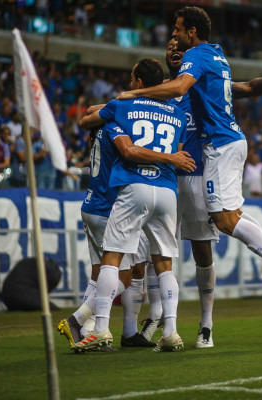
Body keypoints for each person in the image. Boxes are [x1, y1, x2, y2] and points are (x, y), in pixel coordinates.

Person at [116, 6, 262, 309]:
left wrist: (133, 94)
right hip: (228, 142)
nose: (174, 36)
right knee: (232, 214)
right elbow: (244, 88)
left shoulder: (196, 58)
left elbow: (179, 86)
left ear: (192, 32)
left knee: (224, 219)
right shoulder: (216, 55)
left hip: (218, 144)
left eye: (177, 30)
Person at [72, 58, 195, 353]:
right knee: (164, 264)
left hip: (134, 187)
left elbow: (87, 119)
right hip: (167, 191)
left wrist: (118, 102)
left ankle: (100, 328)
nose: (129, 84)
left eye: (131, 79)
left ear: (139, 83)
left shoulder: (122, 105)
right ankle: (172, 332)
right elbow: (176, 151)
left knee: (111, 259)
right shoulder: (177, 114)